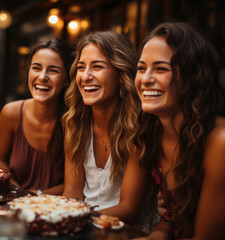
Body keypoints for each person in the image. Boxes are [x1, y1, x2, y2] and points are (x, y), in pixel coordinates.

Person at [133, 22, 225, 239]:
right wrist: (156, 236)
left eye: (161, 69)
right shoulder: (153, 133)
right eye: (142, 68)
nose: (145, 79)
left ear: (194, 76)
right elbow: (173, 217)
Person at [62, 31, 157, 233]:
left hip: (128, 232)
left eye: (97, 67)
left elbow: (129, 209)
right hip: (83, 228)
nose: (86, 76)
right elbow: (72, 191)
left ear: (120, 73)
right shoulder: (74, 123)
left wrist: (73, 217)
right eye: (81, 68)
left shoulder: (137, 128)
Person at [0, 39, 73, 195]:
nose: (42, 77)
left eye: (53, 70)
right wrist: (19, 193)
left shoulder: (72, 121)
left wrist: (36, 197)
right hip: (11, 201)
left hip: (57, 209)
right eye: (36, 68)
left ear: (66, 80)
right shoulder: (11, 113)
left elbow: (75, 184)